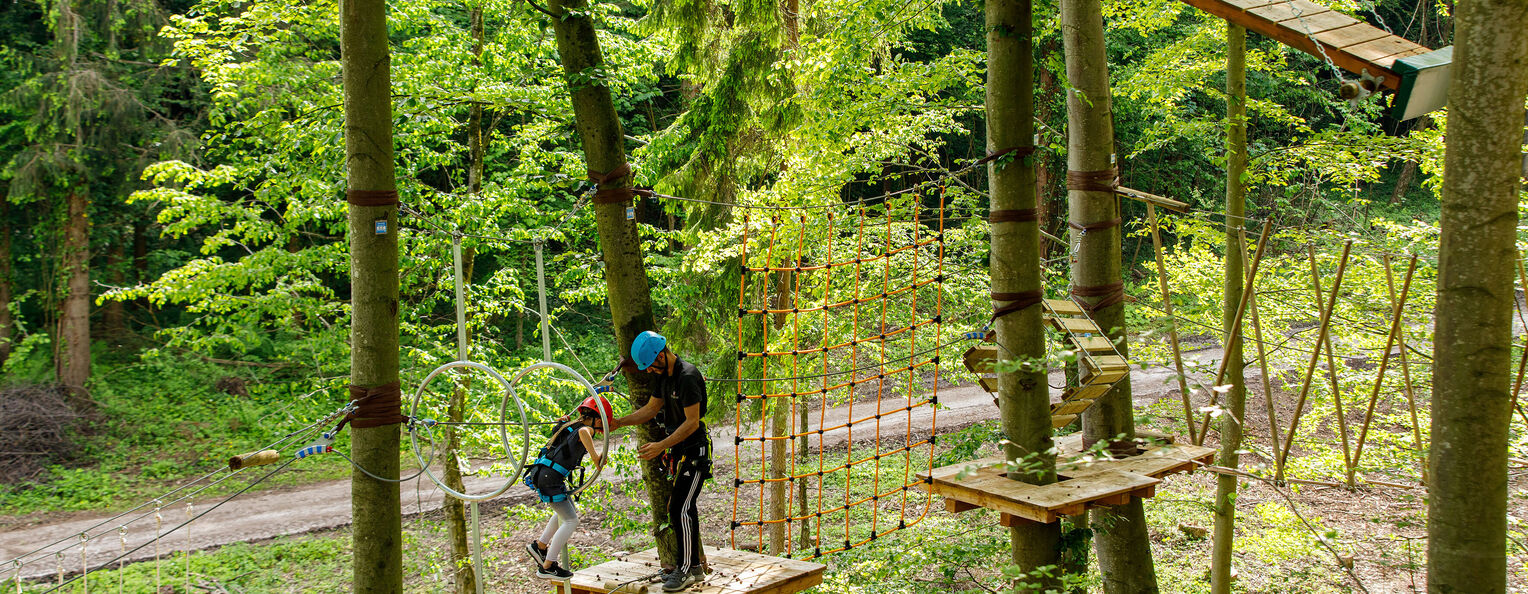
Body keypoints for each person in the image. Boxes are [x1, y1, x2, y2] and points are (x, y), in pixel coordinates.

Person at [608, 330, 712, 592]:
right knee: (682, 508)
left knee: (679, 508)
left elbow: (691, 423)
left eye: (652, 365)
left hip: (695, 452)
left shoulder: (687, 376)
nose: (651, 371)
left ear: (662, 355)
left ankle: (687, 569)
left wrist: (660, 447)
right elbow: (651, 409)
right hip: (681, 455)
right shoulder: (664, 377)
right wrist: (619, 422)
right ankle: (692, 567)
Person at [524, 394, 613, 580]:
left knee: (564, 513)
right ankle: (548, 566)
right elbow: (584, 434)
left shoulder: (570, 425)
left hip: (546, 474)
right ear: (598, 418)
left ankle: (539, 546)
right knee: (571, 521)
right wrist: (596, 457)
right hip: (550, 478)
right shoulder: (585, 428)